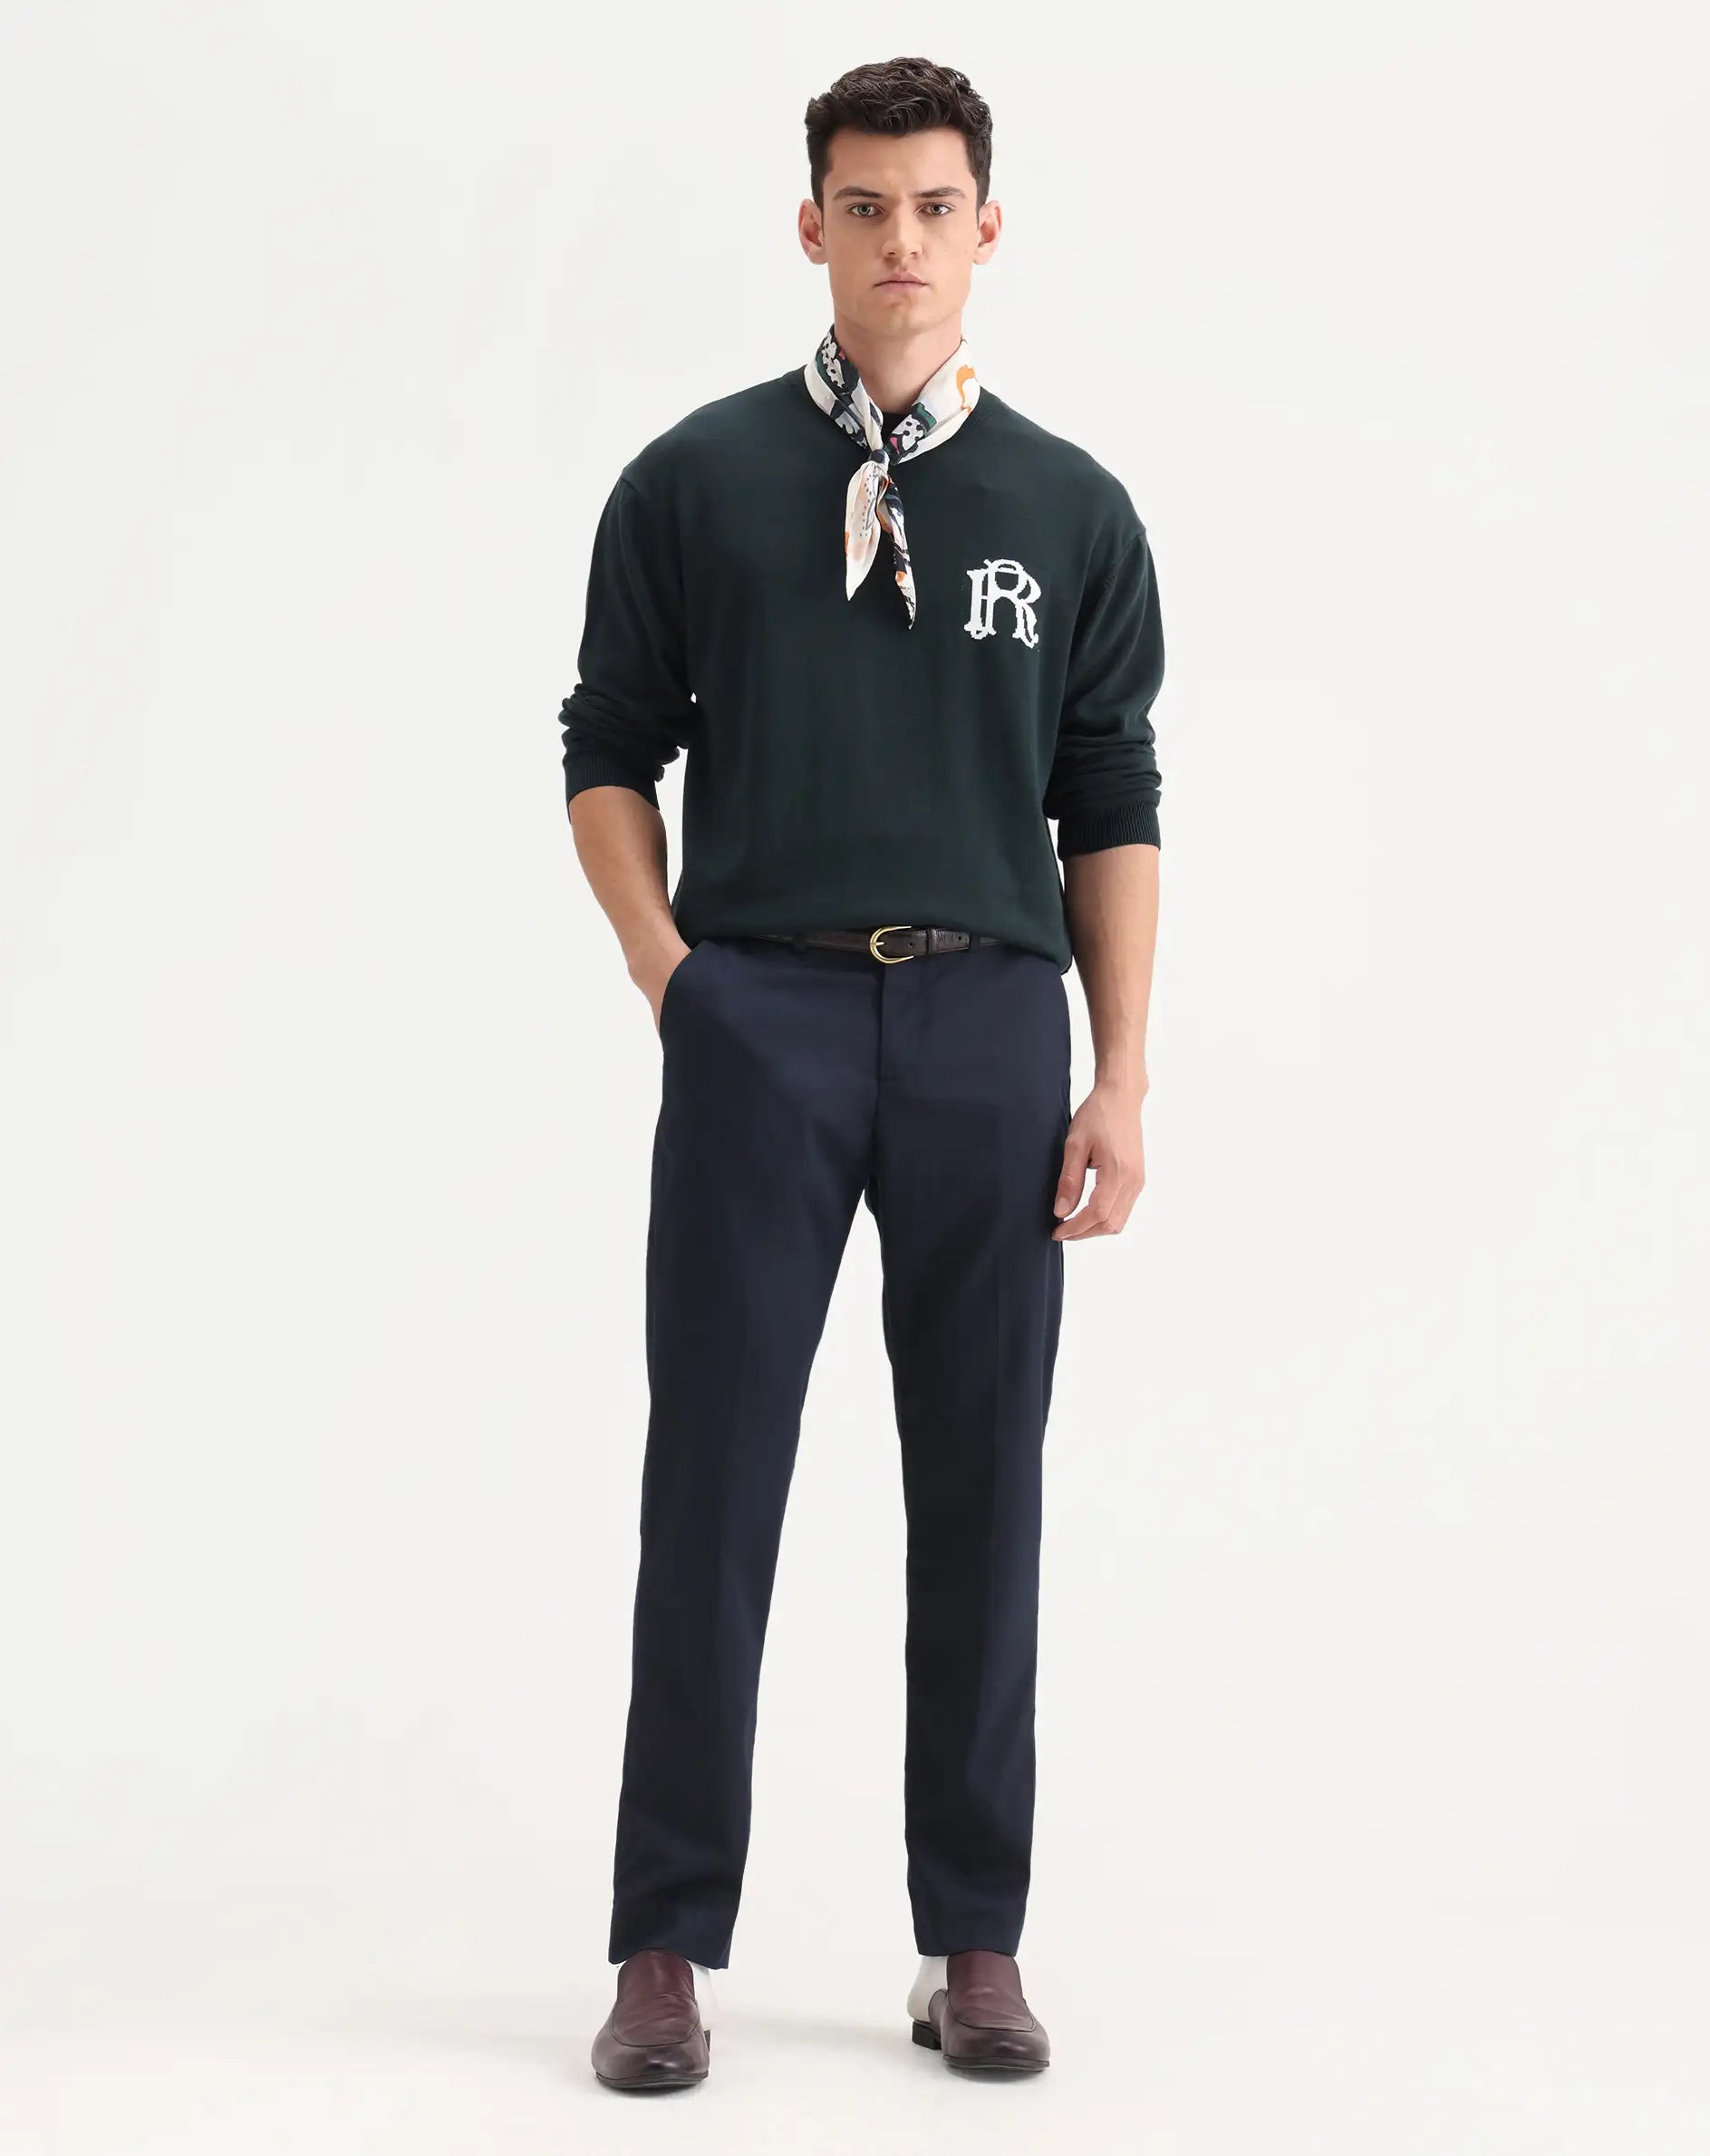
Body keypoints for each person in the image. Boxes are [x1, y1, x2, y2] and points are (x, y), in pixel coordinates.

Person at [559, 55, 1164, 2089]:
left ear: (988, 229)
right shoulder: (695, 482)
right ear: (809, 225)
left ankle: (973, 1937)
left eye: (933, 205)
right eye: (864, 204)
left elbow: (1110, 798)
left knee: (985, 1477)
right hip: (764, 1012)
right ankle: (663, 1943)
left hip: (991, 1022)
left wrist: (1121, 1072)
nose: (900, 239)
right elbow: (607, 748)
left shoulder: (1071, 511)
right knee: (712, 1474)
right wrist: (677, 981)